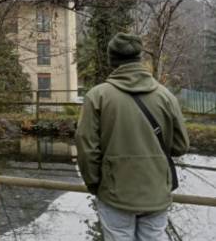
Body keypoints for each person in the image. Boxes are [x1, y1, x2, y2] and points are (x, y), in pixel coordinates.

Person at [76, 32, 190, 241]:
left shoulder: (97, 96)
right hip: (156, 191)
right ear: (139, 58)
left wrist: (95, 184)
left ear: (113, 60)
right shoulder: (165, 96)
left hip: (114, 193)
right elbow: (180, 146)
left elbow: (86, 148)